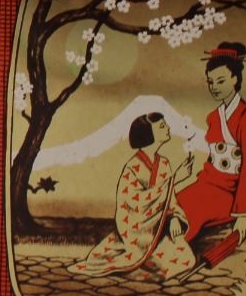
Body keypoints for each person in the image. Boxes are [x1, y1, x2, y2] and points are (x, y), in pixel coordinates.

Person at [68, 112, 198, 279]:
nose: (168, 128)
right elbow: (135, 204)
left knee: (187, 259)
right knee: (160, 264)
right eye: (162, 126)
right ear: (149, 134)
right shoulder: (132, 167)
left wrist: (173, 218)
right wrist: (174, 180)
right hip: (136, 235)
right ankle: (135, 266)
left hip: (159, 230)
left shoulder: (164, 163)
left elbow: (170, 199)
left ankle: (142, 266)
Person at [175, 42, 246, 256]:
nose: (214, 87)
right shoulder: (214, 117)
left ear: (235, 79)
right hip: (208, 182)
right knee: (174, 204)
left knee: (194, 213)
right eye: (210, 82)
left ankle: (174, 255)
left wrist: (242, 214)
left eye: (221, 81)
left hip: (230, 192)